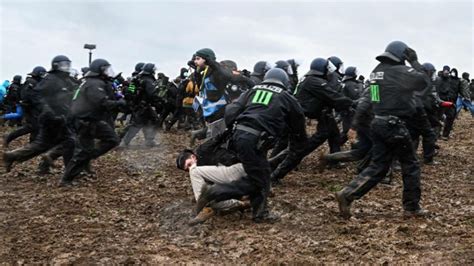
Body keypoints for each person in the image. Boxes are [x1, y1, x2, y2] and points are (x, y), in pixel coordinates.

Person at [194, 68, 307, 223]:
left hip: (240, 136)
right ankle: (215, 192)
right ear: (284, 81)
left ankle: (260, 213)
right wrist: (298, 143)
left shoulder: (252, 90)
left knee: (262, 174)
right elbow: (298, 123)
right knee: (258, 180)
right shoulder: (286, 97)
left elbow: (232, 110)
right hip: (256, 140)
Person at [335, 41, 429, 219]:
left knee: (378, 166)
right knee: (411, 164)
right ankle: (411, 207)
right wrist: (415, 62)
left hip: (378, 123)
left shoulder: (376, 72)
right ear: (402, 55)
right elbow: (424, 81)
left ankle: (347, 193)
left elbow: (374, 98)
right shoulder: (401, 71)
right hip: (395, 125)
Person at [270, 58, 353, 184]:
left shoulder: (310, 79)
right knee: (298, 149)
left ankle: (332, 159)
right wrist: (353, 103)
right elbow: (333, 97)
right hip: (297, 118)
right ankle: (273, 174)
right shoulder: (315, 81)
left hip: (303, 116)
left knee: (329, 135)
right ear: (322, 69)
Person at [3, 55, 76, 173]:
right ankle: (69, 171)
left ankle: (13, 156)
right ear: (56, 66)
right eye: (63, 64)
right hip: (51, 118)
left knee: (42, 145)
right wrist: (47, 109)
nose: (66, 67)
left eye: (68, 64)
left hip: (59, 117)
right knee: (70, 141)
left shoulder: (63, 80)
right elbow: (38, 95)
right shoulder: (51, 79)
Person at [60, 59, 125, 186]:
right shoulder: (94, 84)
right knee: (84, 151)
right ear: (99, 70)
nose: (108, 72)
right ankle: (66, 179)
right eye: (105, 69)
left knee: (111, 140)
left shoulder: (94, 82)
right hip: (86, 120)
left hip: (91, 119)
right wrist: (119, 103)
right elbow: (101, 102)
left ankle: (87, 158)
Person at [176, 149, 249, 225]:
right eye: (187, 169)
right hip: (239, 182)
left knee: (195, 173)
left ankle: (203, 207)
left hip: (239, 169)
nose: (190, 168)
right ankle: (242, 204)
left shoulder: (204, 153)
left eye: (189, 164)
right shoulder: (206, 172)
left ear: (193, 157)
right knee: (212, 201)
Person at [3, 66, 46, 148]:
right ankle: (9, 136)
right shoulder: (31, 82)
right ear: (38, 74)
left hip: (34, 108)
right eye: (42, 74)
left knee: (35, 126)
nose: (43, 76)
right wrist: (34, 102)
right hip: (29, 107)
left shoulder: (36, 82)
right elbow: (26, 95)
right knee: (31, 126)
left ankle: (32, 143)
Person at [121, 63, 160, 147]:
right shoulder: (149, 80)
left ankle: (149, 140)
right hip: (144, 106)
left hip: (137, 105)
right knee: (139, 124)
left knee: (148, 122)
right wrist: (158, 100)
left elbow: (130, 91)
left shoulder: (136, 79)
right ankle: (125, 142)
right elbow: (152, 94)